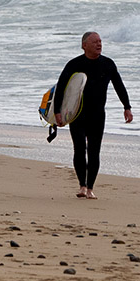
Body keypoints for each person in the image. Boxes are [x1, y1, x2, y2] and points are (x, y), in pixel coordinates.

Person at [52, 31, 132, 199]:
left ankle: (90, 188)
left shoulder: (108, 64)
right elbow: (61, 87)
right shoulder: (74, 64)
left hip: (97, 115)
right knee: (80, 149)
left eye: (100, 41)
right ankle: (82, 186)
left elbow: (119, 85)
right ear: (84, 45)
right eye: (95, 41)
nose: (99, 44)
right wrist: (57, 112)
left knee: (94, 151)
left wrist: (127, 107)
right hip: (77, 115)